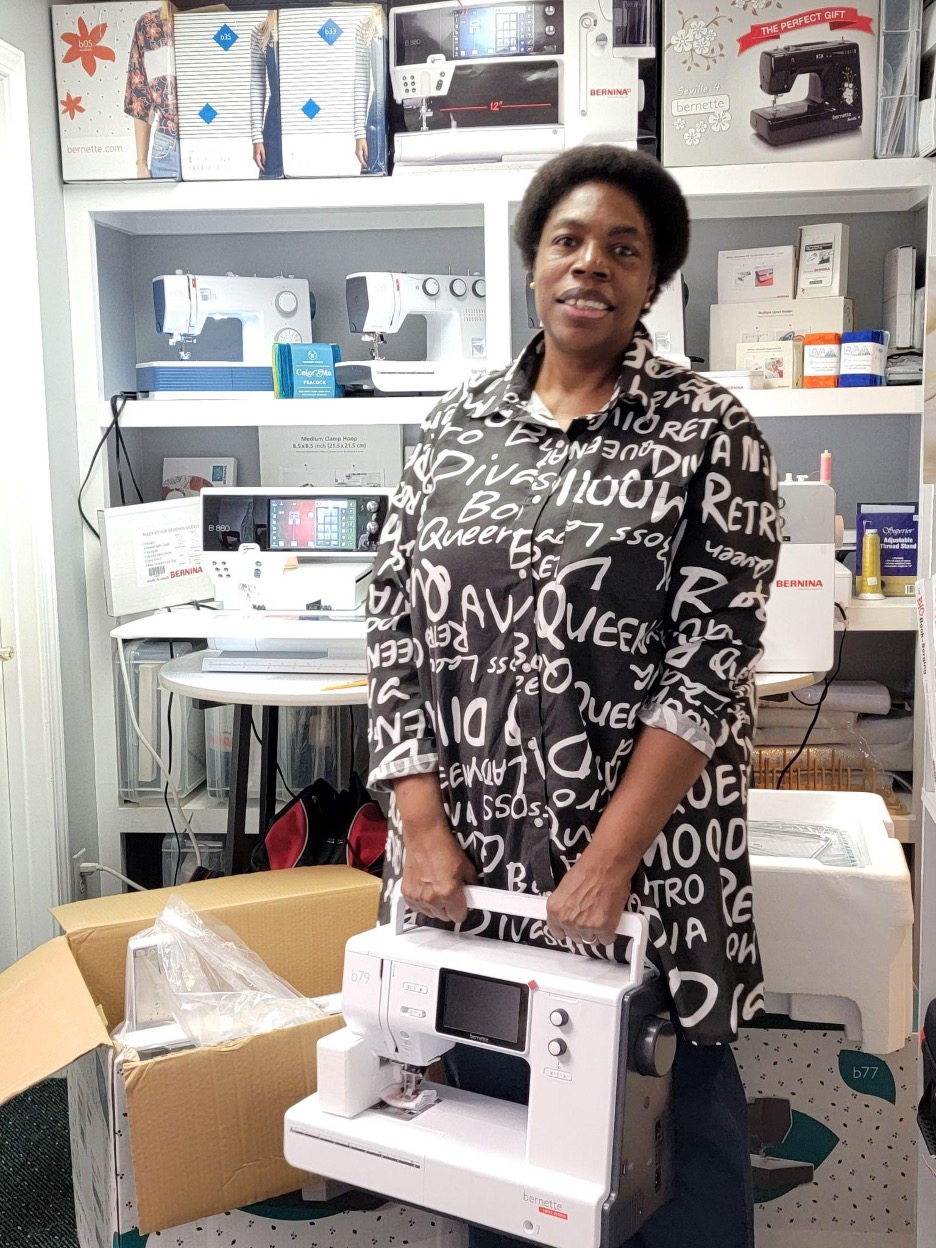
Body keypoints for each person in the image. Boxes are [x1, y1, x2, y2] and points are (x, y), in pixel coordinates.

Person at [366, 144, 781, 1248]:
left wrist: (606, 867)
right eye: (568, 240)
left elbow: (711, 659)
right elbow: (393, 630)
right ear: (533, 259)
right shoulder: (450, 434)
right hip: (483, 882)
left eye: (623, 248)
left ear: (652, 281)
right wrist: (421, 832)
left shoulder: (708, 433)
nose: (591, 263)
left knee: (674, 1170)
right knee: (511, 1179)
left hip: (651, 887)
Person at [124, 4, 179, 179]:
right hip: (168, 145)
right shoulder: (149, 25)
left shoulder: (215, 19)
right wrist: (141, 163)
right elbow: (141, 99)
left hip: (213, 139)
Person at [353, 7, 387, 175]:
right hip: (376, 120)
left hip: (409, 115)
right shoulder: (366, 24)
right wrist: (359, 133)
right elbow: (361, 79)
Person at [250, 12, 283, 180]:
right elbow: (257, 85)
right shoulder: (261, 31)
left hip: (304, 120)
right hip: (273, 125)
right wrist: (256, 136)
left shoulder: (303, 23)